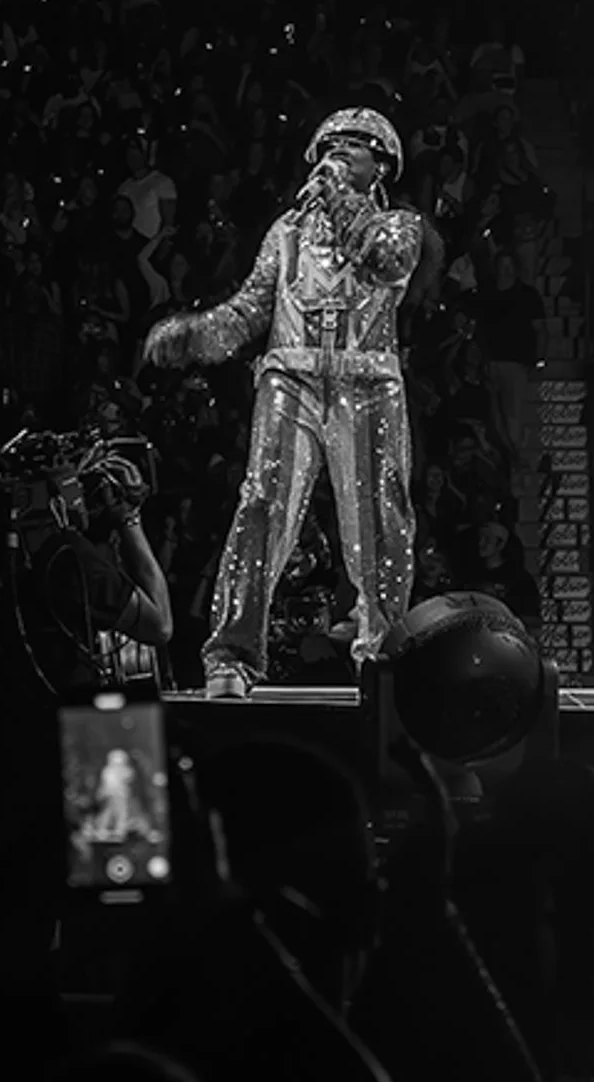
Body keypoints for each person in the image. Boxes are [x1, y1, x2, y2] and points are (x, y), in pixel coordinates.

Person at [145, 107, 435, 697]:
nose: (337, 153)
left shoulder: (400, 225)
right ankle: (232, 653)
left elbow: (386, 263)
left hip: (368, 382)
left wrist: (340, 200)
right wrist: (194, 336)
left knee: (382, 516)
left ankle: (380, 650)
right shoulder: (286, 233)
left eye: (352, 147)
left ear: (380, 164)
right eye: (330, 145)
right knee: (260, 504)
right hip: (291, 379)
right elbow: (251, 309)